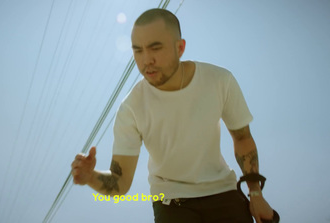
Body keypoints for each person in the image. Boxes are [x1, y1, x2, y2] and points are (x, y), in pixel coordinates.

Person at [71, 8, 274, 223]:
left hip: (224, 193)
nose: (146, 59)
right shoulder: (131, 108)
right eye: (138, 50)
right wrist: (90, 177)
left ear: (180, 48)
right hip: (171, 203)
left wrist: (256, 194)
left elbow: (242, 138)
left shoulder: (219, 81)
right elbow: (120, 183)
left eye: (155, 48)